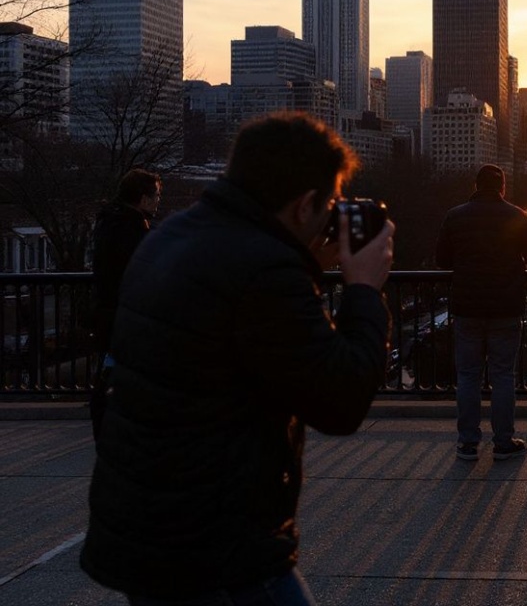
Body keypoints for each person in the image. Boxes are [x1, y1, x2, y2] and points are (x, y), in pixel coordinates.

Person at [80, 112, 394, 605]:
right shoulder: (263, 270)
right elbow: (341, 399)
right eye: (329, 203)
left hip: (151, 530)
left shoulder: (173, 234)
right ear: (306, 203)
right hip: (218, 552)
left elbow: (247, 341)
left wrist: (307, 264)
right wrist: (364, 290)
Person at [436, 164, 527, 462]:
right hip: (505, 307)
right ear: (502, 187)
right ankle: (503, 442)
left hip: (467, 308)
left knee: (468, 375)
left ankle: (468, 444)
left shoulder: (455, 216)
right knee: (503, 376)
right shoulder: (518, 216)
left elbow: (442, 259)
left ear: (475, 185)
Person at [89, 168, 162, 440]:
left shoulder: (109, 222)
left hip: (109, 316)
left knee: (113, 372)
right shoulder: (135, 230)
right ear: (142, 199)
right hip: (130, 319)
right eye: (156, 196)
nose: (158, 201)